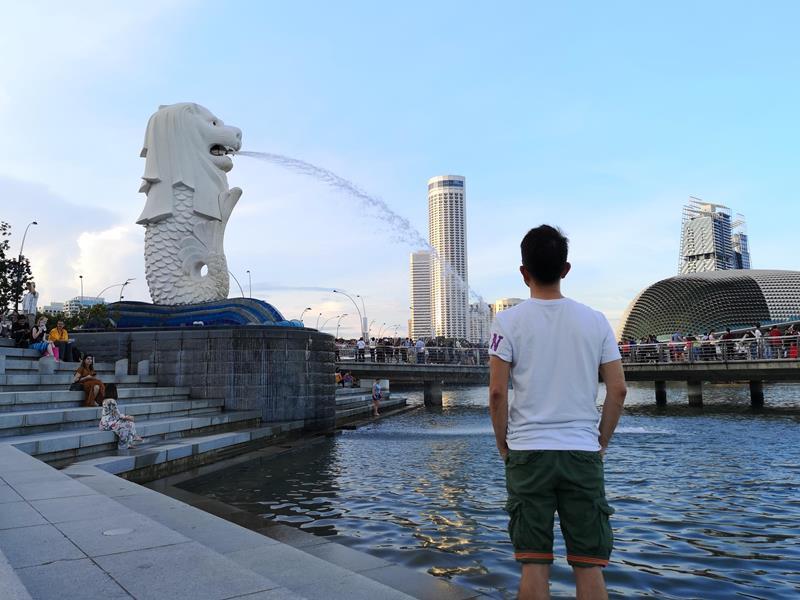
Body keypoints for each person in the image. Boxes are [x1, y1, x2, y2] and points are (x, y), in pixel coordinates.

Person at [488, 225, 627, 600]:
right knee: (589, 567)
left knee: (534, 565)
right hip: (581, 452)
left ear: (523, 272)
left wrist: (504, 446)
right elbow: (618, 389)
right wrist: (599, 442)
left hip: (528, 453)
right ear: (566, 269)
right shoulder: (596, 320)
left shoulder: (507, 322)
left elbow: (498, 393)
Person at [99, 383, 143, 449]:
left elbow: (114, 414)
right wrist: (127, 417)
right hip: (108, 424)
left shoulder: (105, 400)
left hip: (106, 423)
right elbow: (117, 415)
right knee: (128, 424)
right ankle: (124, 444)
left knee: (130, 423)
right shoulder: (112, 401)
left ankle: (131, 441)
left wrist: (126, 417)